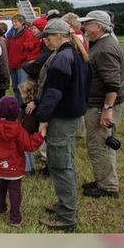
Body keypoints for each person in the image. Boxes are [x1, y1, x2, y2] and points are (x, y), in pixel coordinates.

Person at [35, 19, 90, 230]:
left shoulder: (62, 58)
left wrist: (43, 118)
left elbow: (53, 93)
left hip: (62, 118)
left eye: (48, 36)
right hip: (72, 116)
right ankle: (68, 203)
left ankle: (67, 216)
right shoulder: (77, 54)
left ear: (60, 35)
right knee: (68, 161)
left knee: (59, 164)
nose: (46, 41)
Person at [79, 10, 124, 199]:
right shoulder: (102, 43)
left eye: (88, 24)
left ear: (98, 26)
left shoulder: (105, 48)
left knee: (100, 144)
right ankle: (103, 179)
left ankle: (107, 187)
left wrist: (107, 109)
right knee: (99, 143)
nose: (84, 28)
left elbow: (113, 83)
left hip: (102, 105)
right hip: (100, 103)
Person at [0, 96, 46, 227]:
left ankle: (0, 208)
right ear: (16, 112)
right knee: (15, 192)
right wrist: (41, 135)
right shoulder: (19, 130)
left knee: (0, 187)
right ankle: (15, 218)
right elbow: (30, 145)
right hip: (15, 170)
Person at [7, 14, 42, 105]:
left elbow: (31, 46)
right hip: (13, 63)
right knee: (15, 87)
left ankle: (24, 108)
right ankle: (18, 106)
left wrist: (26, 48)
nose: (14, 24)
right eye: (13, 22)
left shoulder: (27, 33)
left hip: (21, 64)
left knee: (23, 88)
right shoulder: (12, 34)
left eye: (16, 22)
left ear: (22, 22)